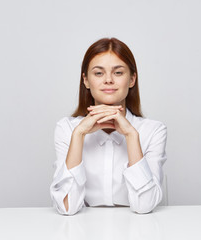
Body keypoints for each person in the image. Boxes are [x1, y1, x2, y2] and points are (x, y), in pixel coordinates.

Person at [50, 37, 167, 215]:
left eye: (118, 73)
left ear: (132, 79)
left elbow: (144, 205)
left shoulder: (153, 131)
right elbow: (67, 207)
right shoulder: (67, 129)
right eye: (98, 73)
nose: (108, 80)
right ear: (86, 80)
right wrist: (79, 134)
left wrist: (131, 136)